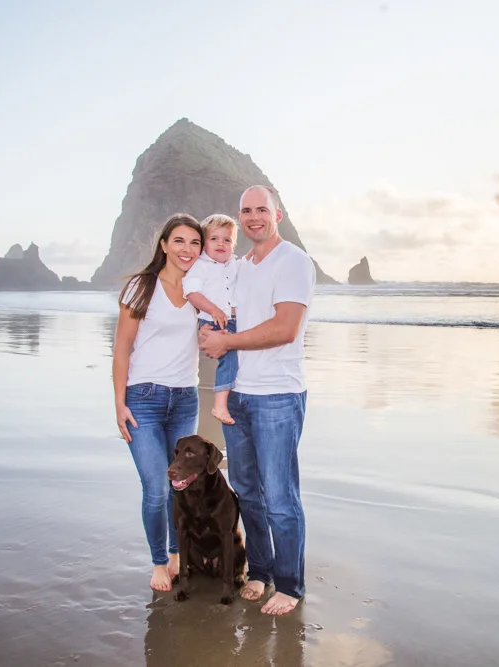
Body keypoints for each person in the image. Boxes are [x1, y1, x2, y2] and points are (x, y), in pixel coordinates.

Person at [199, 185, 316, 615]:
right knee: (247, 490)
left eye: (261, 210)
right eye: (245, 211)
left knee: (280, 496)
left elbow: (285, 328)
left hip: (278, 396)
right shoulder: (239, 266)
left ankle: (289, 584)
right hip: (239, 398)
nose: (253, 218)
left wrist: (226, 340)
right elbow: (222, 318)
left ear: (277, 215)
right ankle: (261, 572)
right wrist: (209, 336)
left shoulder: (294, 262)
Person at [112, 213, 204, 592]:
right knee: (156, 487)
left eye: (195, 243)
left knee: (180, 485)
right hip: (144, 400)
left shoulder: (202, 287)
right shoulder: (142, 286)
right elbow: (121, 349)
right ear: (164, 244)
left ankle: (178, 554)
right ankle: (158, 563)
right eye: (179, 241)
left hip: (185, 398)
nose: (187, 249)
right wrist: (119, 404)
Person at [182, 214, 241, 425]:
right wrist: (213, 309)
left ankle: (230, 396)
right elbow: (191, 293)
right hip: (211, 320)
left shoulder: (236, 264)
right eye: (214, 239)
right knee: (230, 355)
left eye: (227, 240)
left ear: (234, 244)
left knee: (239, 356)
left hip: (232, 320)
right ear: (204, 243)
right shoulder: (201, 266)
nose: (220, 244)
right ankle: (219, 403)